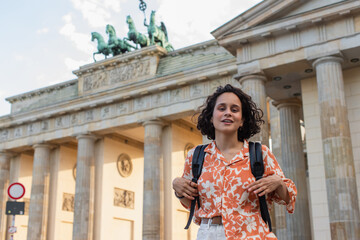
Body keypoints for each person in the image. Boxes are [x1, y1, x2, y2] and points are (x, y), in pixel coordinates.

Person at [172, 84, 297, 239]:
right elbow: (190, 202)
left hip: (251, 233)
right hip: (209, 233)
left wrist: (278, 182)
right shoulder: (196, 156)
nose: (228, 113)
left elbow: (289, 198)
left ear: (242, 120)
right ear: (211, 117)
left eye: (234, 109)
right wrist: (177, 188)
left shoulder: (260, 153)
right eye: (222, 108)